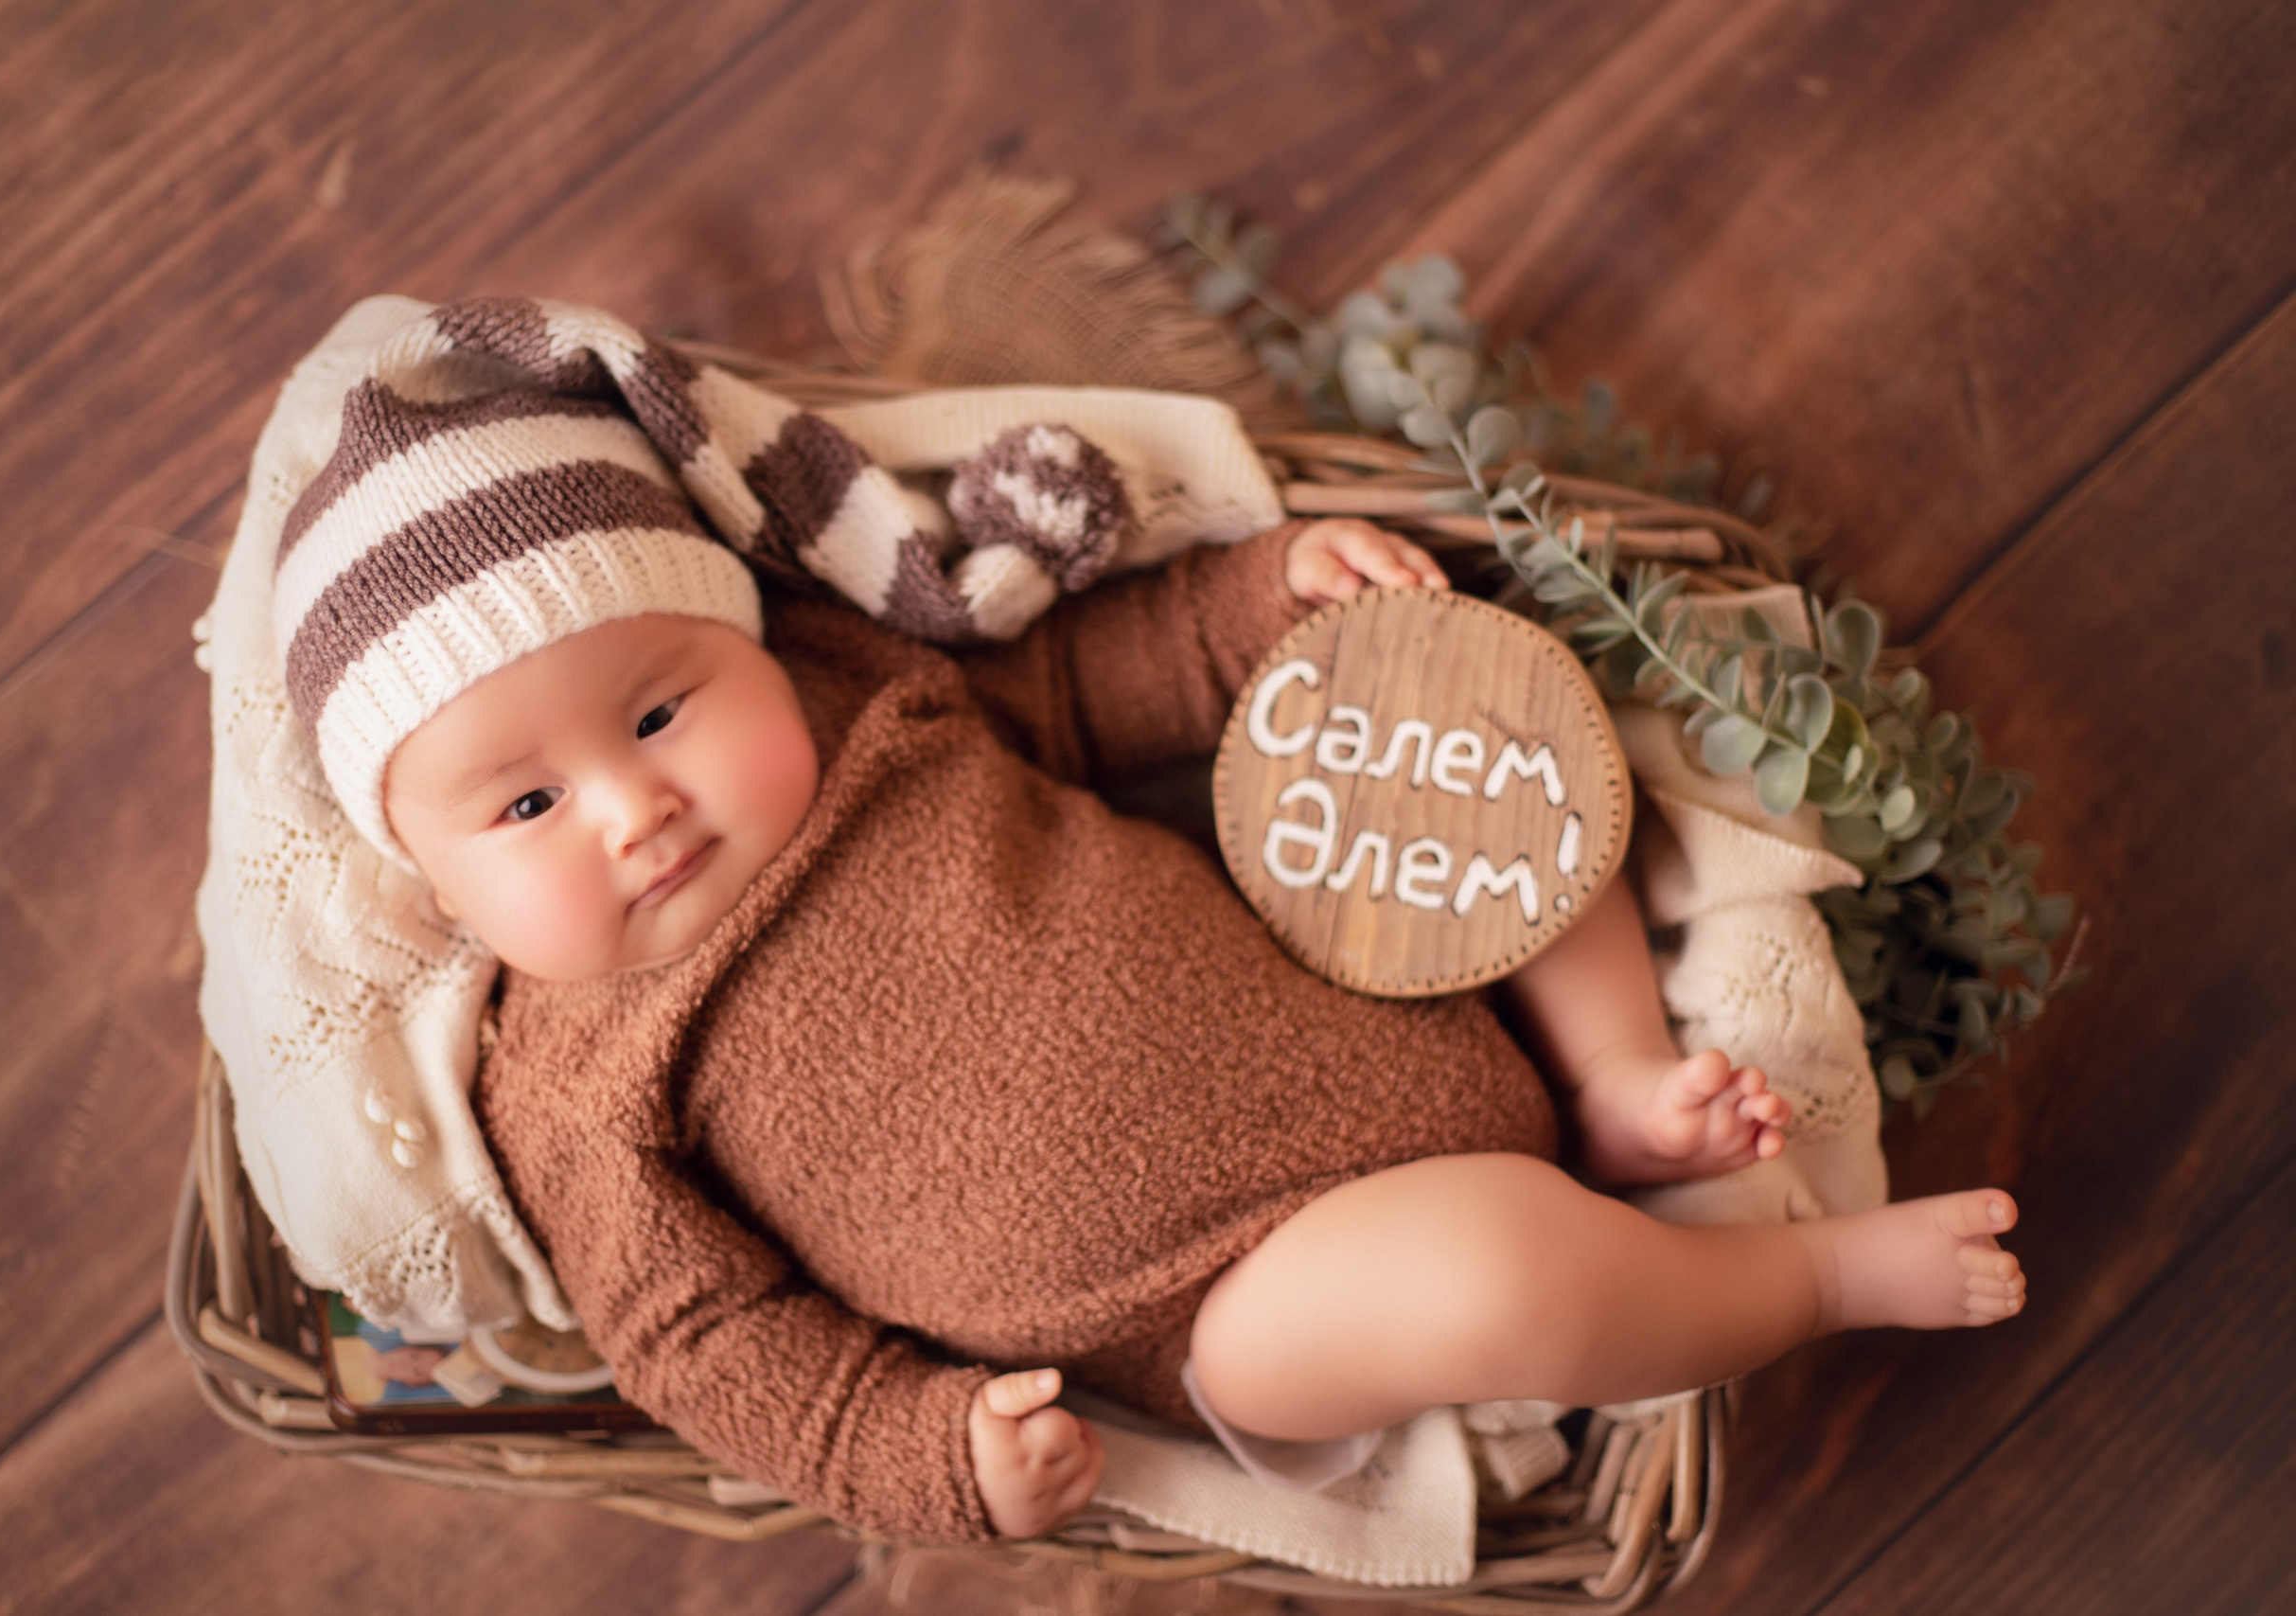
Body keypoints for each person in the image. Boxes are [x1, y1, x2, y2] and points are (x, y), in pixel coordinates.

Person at [282, 320, 2022, 1545]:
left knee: (1483, 722)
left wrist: (1268, 607)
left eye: (661, 711)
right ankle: (1803, 1278)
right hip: (1234, 1301)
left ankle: (1614, 1076)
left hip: (1358, 979)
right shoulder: (568, 1076)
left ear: (744, 637)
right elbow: (699, 1341)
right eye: (524, 812)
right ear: (439, 888)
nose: (629, 808)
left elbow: (1086, 681)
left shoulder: (861, 695)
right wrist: (929, 1454)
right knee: (1501, 1278)